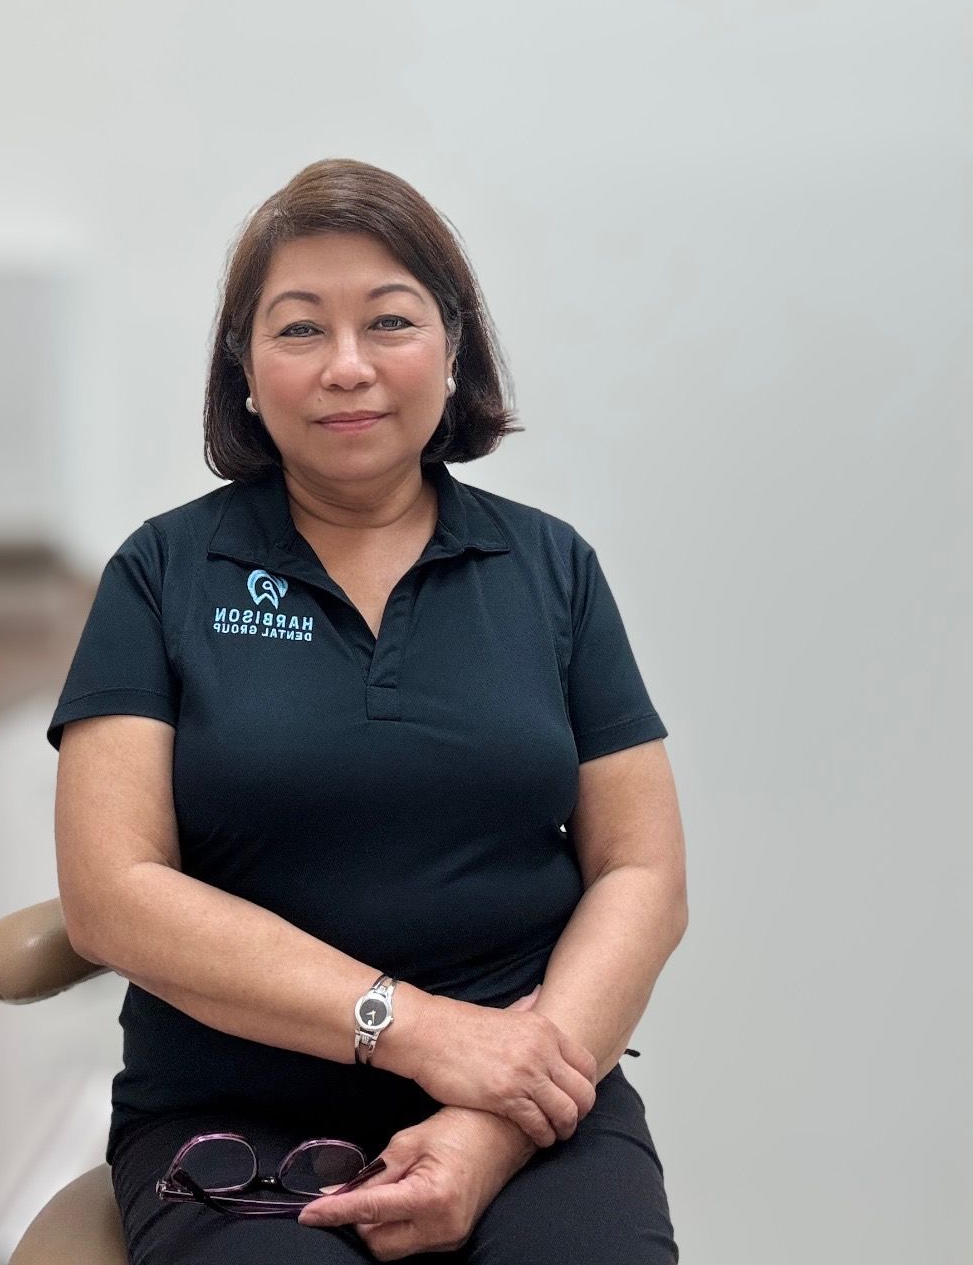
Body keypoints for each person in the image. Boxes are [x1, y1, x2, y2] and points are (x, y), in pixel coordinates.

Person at [49, 159, 687, 1262]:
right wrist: (422, 1033)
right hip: (234, 1114)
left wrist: (490, 1121)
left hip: (526, 1099)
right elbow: (113, 895)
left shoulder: (551, 569)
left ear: (454, 348)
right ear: (243, 370)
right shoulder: (162, 572)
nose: (347, 367)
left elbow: (644, 875)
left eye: (388, 321)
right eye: (299, 331)